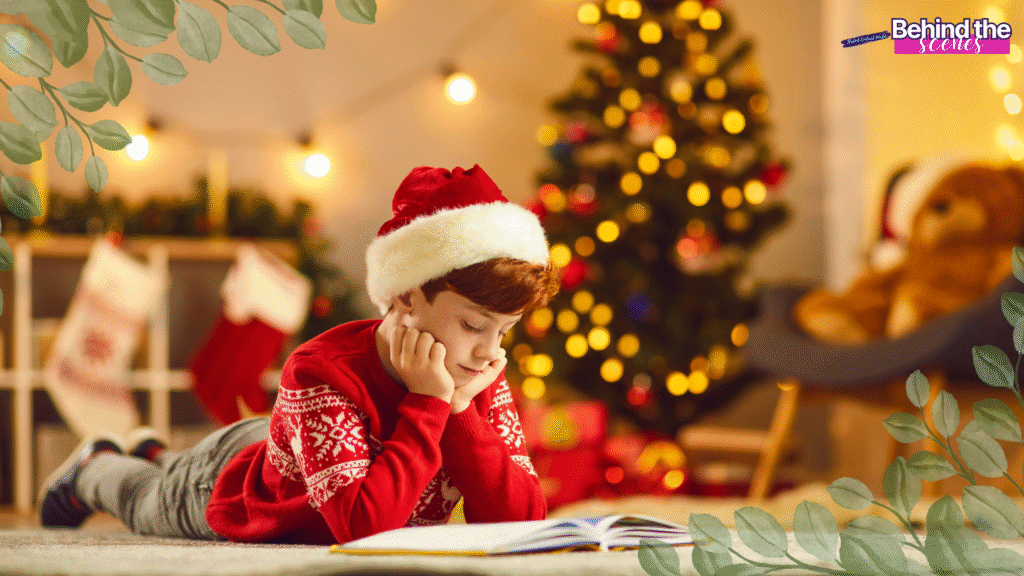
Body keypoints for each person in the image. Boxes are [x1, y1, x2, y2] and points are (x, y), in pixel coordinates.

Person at [40, 165, 559, 544]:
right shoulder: (320, 371)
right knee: (146, 500)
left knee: (171, 466)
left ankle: (154, 451)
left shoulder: (475, 370)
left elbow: (523, 522)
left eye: (505, 331)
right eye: (473, 324)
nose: (491, 351)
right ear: (405, 295)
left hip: (283, 444)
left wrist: (462, 411)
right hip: (236, 487)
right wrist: (430, 405)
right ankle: (97, 465)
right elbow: (362, 531)